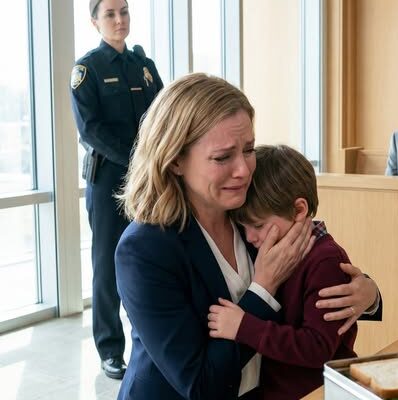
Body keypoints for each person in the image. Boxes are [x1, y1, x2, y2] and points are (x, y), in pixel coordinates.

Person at [115, 73, 381, 400]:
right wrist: (262, 289)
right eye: (222, 157)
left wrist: (368, 294)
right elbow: (200, 386)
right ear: (175, 162)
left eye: (249, 149)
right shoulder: (144, 250)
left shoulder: (247, 210)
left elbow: (314, 263)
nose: (243, 170)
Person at [208, 144, 373, 400]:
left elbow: (317, 348)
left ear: (299, 211)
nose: (249, 237)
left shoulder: (325, 261)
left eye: (258, 225)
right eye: (243, 227)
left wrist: (244, 327)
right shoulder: (269, 249)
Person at [69, 0, 163, 379]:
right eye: (110, 14)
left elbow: (163, 116)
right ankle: (110, 350)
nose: (119, 19)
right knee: (107, 265)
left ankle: (151, 337)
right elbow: (90, 130)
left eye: (123, 11)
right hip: (109, 180)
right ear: (95, 21)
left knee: (151, 255)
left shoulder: (144, 65)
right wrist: (137, 160)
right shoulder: (87, 69)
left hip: (147, 181)